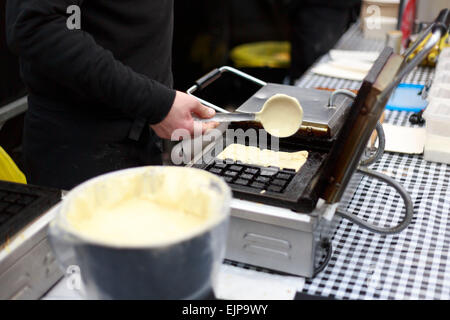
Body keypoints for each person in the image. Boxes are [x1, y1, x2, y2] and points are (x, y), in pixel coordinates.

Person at [5, 0, 217, 190]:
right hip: (82, 151)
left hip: (144, 135)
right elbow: (37, 27)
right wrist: (153, 103)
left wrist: (156, 104)